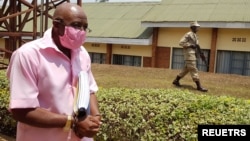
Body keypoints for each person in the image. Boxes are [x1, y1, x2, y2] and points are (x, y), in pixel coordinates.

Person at [6, 3, 102, 141]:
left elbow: (89, 90)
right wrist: (73, 122)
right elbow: (21, 111)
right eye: (76, 25)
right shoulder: (28, 55)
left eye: (85, 27)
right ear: (57, 25)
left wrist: (95, 118)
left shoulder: (82, 54)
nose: (81, 31)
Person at [172, 21, 208, 92]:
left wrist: (201, 53)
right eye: (196, 27)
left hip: (193, 54)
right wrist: (190, 45)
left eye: (198, 27)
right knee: (193, 69)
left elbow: (197, 46)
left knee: (186, 69)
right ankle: (199, 86)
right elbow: (181, 43)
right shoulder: (188, 34)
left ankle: (176, 80)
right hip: (189, 54)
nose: (198, 28)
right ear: (192, 27)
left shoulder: (195, 35)